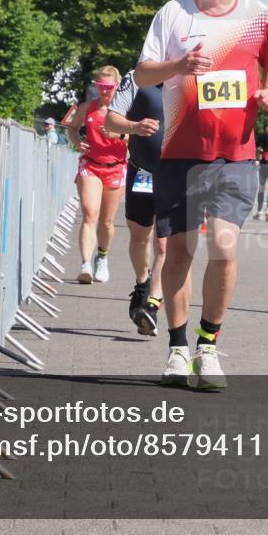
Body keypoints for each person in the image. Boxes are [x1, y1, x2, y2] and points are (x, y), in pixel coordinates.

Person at [134, 0, 268, 389]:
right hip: (180, 152)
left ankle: (208, 346)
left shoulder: (257, 15)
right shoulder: (173, 14)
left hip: (235, 154)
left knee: (224, 246)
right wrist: (178, 67)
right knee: (179, 252)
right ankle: (178, 350)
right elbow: (142, 74)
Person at [105, 70, 167, 337]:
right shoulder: (137, 77)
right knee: (140, 237)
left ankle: (152, 305)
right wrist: (135, 127)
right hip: (142, 172)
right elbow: (111, 120)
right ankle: (143, 283)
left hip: (176, 175)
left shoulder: (191, 78)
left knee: (164, 243)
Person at [65, 66, 128, 284]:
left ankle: (102, 257)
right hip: (90, 165)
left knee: (106, 222)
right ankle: (85, 265)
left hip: (115, 167)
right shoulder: (87, 108)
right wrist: (77, 142)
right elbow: (72, 128)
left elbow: (139, 134)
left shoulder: (125, 110)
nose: (104, 91)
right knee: (90, 214)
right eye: (100, 86)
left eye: (108, 87)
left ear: (117, 85)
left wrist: (119, 134)